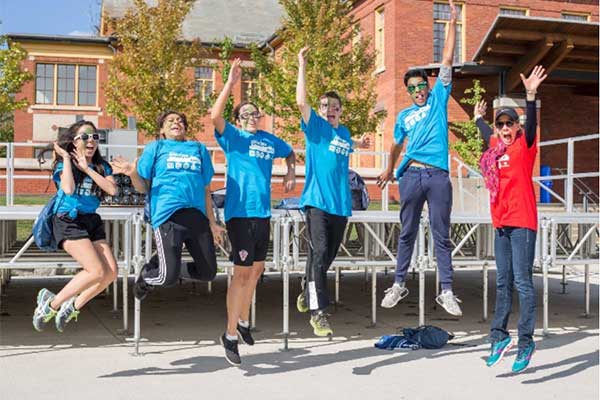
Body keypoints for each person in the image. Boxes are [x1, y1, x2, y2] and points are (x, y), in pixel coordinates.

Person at [377, 0, 462, 316]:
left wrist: (451, 23)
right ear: (408, 91)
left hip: (438, 175)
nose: (418, 91)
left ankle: (447, 291)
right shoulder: (403, 115)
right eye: (413, 88)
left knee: (442, 234)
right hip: (411, 175)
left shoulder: (439, 99)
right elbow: (396, 145)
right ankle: (398, 283)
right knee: (407, 231)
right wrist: (388, 169)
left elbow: (448, 57)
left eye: (421, 85)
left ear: (429, 85)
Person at [212, 58, 296, 366]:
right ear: (238, 118)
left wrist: (290, 172)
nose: (251, 116)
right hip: (240, 213)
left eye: (255, 113)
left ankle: (244, 319)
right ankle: (230, 334)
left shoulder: (268, 139)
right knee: (242, 273)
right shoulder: (233, 137)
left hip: (263, 213)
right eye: (245, 113)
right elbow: (215, 115)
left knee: (257, 271)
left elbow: (291, 153)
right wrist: (230, 84)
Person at [295, 46, 370, 337]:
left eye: (334, 106)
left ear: (340, 110)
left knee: (326, 258)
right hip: (316, 202)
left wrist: (361, 145)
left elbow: (348, 147)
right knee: (319, 252)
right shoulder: (315, 128)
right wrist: (302, 64)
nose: (329, 110)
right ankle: (318, 311)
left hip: (341, 205)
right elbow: (301, 101)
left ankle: (307, 291)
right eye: (324, 106)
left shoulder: (344, 132)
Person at [111, 111, 224, 303]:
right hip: (168, 216)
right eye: (170, 121)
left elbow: (206, 189)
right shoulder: (155, 148)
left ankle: (164, 265)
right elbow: (143, 187)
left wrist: (212, 223)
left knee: (208, 273)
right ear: (162, 129)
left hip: (197, 217)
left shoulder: (198, 149)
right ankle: (147, 276)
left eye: (180, 120)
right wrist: (132, 174)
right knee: (166, 278)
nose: (176, 122)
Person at [477, 65, 546, 373]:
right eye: (501, 124)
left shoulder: (525, 145)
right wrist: (479, 118)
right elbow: (484, 132)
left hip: (523, 222)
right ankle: (499, 337)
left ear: (518, 127)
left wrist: (530, 95)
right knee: (502, 282)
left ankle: (526, 341)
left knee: (522, 282)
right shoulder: (494, 148)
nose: (506, 128)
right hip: (502, 223)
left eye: (510, 124)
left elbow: (531, 124)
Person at [32, 120, 119, 333]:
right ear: (74, 142)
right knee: (96, 270)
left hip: (90, 219)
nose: (91, 141)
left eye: (95, 137)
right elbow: (68, 189)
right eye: (85, 137)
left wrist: (88, 170)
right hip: (67, 218)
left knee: (111, 273)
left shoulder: (102, 166)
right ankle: (51, 304)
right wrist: (67, 159)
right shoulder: (64, 165)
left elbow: (112, 190)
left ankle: (72, 305)